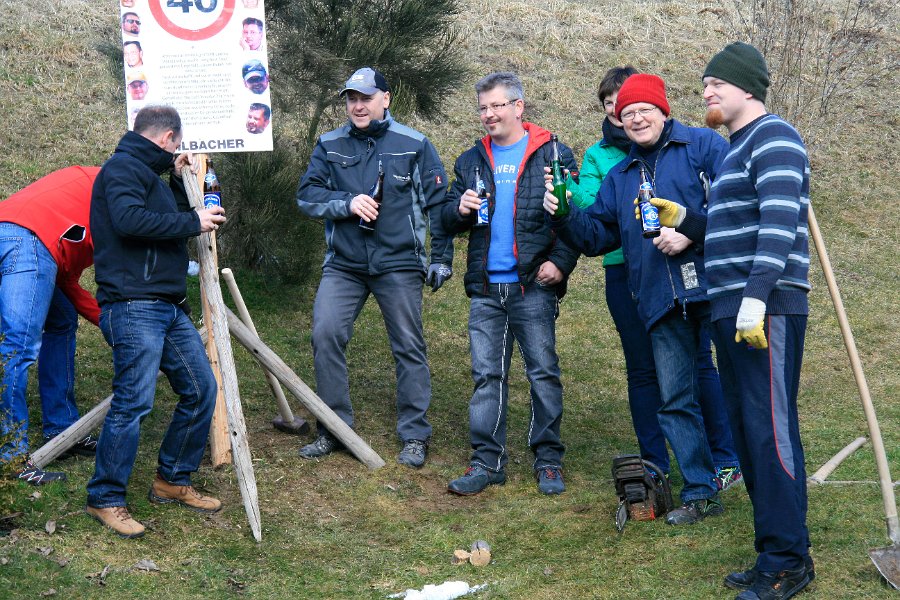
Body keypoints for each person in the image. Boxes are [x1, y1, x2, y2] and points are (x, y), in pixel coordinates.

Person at [649, 42, 814, 599]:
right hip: (730, 308)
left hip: (765, 310)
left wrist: (757, 296)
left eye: (716, 84)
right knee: (748, 436)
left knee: (770, 434)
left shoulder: (776, 137)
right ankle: (778, 550)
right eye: (704, 87)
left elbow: (779, 223)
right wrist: (688, 219)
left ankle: (787, 563)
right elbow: (730, 229)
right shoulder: (736, 147)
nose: (707, 94)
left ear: (747, 87)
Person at [545, 74, 730, 521]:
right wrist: (565, 215)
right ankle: (701, 493)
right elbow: (596, 237)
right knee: (675, 400)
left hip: (719, 289)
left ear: (663, 110)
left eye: (645, 109)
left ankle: (755, 473)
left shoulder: (704, 146)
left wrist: (690, 232)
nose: (637, 119)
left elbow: (736, 204)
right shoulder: (620, 176)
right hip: (659, 301)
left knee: (743, 386)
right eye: (627, 113)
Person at [295, 67, 453, 469]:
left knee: (408, 346)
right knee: (325, 333)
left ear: (386, 99)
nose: (358, 106)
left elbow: (438, 205)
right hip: (344, 265)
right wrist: (346, 204)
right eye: (352, 99)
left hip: (398, 262)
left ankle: (415, 435)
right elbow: (308, 195)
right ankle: (335, 428)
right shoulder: (329, 143)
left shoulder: (414, 144)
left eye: (366, 98)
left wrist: (440, 259)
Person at [86, 105, 227, 539]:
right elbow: (130, 221)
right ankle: (105, 498)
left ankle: (172, 480)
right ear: (167, 137)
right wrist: (193, 220)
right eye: (176, 145)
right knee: (133, 403)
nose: (176, 150)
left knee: (201, 389)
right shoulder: (122, 168)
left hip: (166, 304)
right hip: (133, 303)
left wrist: (177, 179)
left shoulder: (147, 174)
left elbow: (163, 219)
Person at [443, 72, 579, 496]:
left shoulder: (553, 152)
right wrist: (459, 208)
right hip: (486, 288)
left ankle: (548, 461)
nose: (489, 114)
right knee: (487, 376)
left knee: (543, 375)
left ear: (518, 107)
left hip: (533, 285)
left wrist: (561, 264)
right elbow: (444, 218)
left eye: (497, 105)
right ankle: (487, 462)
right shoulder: (471, 159)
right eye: (483, 107)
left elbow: (573, 216)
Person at [0, 167, 103, 485]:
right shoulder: (116, 189)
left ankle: (63, 430)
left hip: (18, 233)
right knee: (17, 348)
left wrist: (107, 323)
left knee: (61, 320)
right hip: (27, 240)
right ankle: (12, 459)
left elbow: (66, 281)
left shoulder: (88, 188)